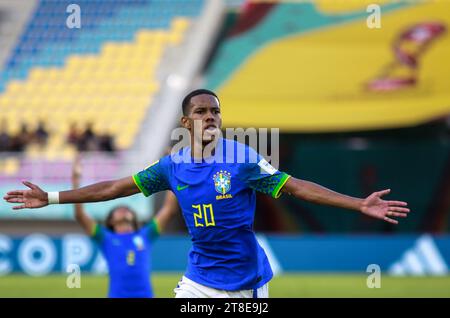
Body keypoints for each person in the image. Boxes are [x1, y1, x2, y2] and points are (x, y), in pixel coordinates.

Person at [3, 89, 410, 298]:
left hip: (246, 283)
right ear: (186, 120)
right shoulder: (171, 166)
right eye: (202, 111)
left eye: (215, 111)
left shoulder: (244, 160)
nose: (211, 116)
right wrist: (53, 198)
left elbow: (297, 187)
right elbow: (113, 187)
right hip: (199, 280)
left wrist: (358, 202)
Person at [71, 155, 178, 298]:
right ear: (111, 221)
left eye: (127, 209)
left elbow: (169, 210)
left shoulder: (146, 234)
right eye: (118, 210)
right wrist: (76, 181)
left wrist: (172, 173)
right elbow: (80, 216)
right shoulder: (105, 238)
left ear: (133, 217)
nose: (123, 209)